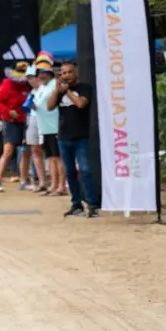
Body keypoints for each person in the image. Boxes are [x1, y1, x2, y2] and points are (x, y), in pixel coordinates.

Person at [47, 61, 99, 217]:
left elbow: (81, 103)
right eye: (63, 73)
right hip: (64, 136)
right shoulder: (60, 90)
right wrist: (57, 90)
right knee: (69, 172)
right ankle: (76, 205)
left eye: (69, 72)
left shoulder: (85, 88)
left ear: (75, 72)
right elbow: (49, 106)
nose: (66, 75)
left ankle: (92, 204)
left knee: (85, 170)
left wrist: (68, 91)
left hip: (81, 136)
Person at [0, 62, 31, 193]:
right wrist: (8, 111)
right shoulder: (7, 84)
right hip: (10, 122)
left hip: (24, 122)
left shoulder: (27, 84)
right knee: (8, 151)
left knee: (25, 152)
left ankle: (24, 181)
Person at [29, 56, 65, 196]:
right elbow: (39, 105)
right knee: (51, 157)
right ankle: (53, 185)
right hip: (45, 127)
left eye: (43, 72)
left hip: (55, 125)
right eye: (39, 73)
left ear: (49, 72)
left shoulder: (55, 84)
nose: (40, 75)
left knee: (58, 157)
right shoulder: (42, 87)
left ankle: (61, 186)